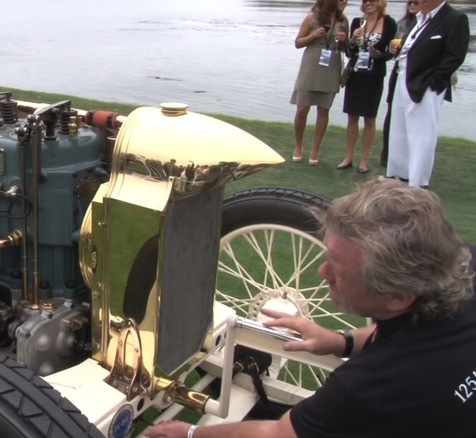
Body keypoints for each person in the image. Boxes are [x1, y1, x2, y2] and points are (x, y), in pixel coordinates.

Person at [145, 178, 476, 438]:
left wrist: (190, 432)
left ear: (398, 296)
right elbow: (407, 328)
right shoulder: (463, 265)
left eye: (338, 269)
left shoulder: (373, 385)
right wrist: (341, 342)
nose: (323, 272)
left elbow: (279, 433)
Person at [385, 0, 469, 188]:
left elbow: (454, 57)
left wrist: (433, 83)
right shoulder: (419, 19)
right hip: (402, 80)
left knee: (421, 137)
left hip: (425, 87)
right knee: (398, 133)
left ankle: (418, 185)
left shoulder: (455, 19)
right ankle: (398, 178)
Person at [338, 0, 396, 174]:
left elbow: (391, 53)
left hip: (374, 75)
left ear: (380, 2)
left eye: (372, 0)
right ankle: (349, 156)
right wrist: (353, 39)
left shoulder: (389, 23)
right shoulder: (357, 22)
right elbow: (349, 52)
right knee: (352, 116)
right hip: (355, 75)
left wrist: (380, 55)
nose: (368, 3)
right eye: (365, 1)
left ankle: (364, 160)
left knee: (369, 118)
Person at [290, 0, 349, 166]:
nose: (343, 1)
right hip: (311, 64)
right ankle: (299, 146)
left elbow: (347, 49)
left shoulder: (344, 21)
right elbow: (298, 43)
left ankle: (316, 148)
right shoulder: (312, 17)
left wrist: (344, 40)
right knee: (302, 108)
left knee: (323, 109)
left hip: (332, 65)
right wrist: (313, 36)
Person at [379, 0, 420, 168]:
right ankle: (388, 156)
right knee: (392, 114)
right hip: (398, 72)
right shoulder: (402, 23)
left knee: (414, 116)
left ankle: (412, 158)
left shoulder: (426, 25)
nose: (412, 4)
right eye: (410, 2)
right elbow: (391, 54)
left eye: (416, 2)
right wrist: (391, 48)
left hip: (417, 73)